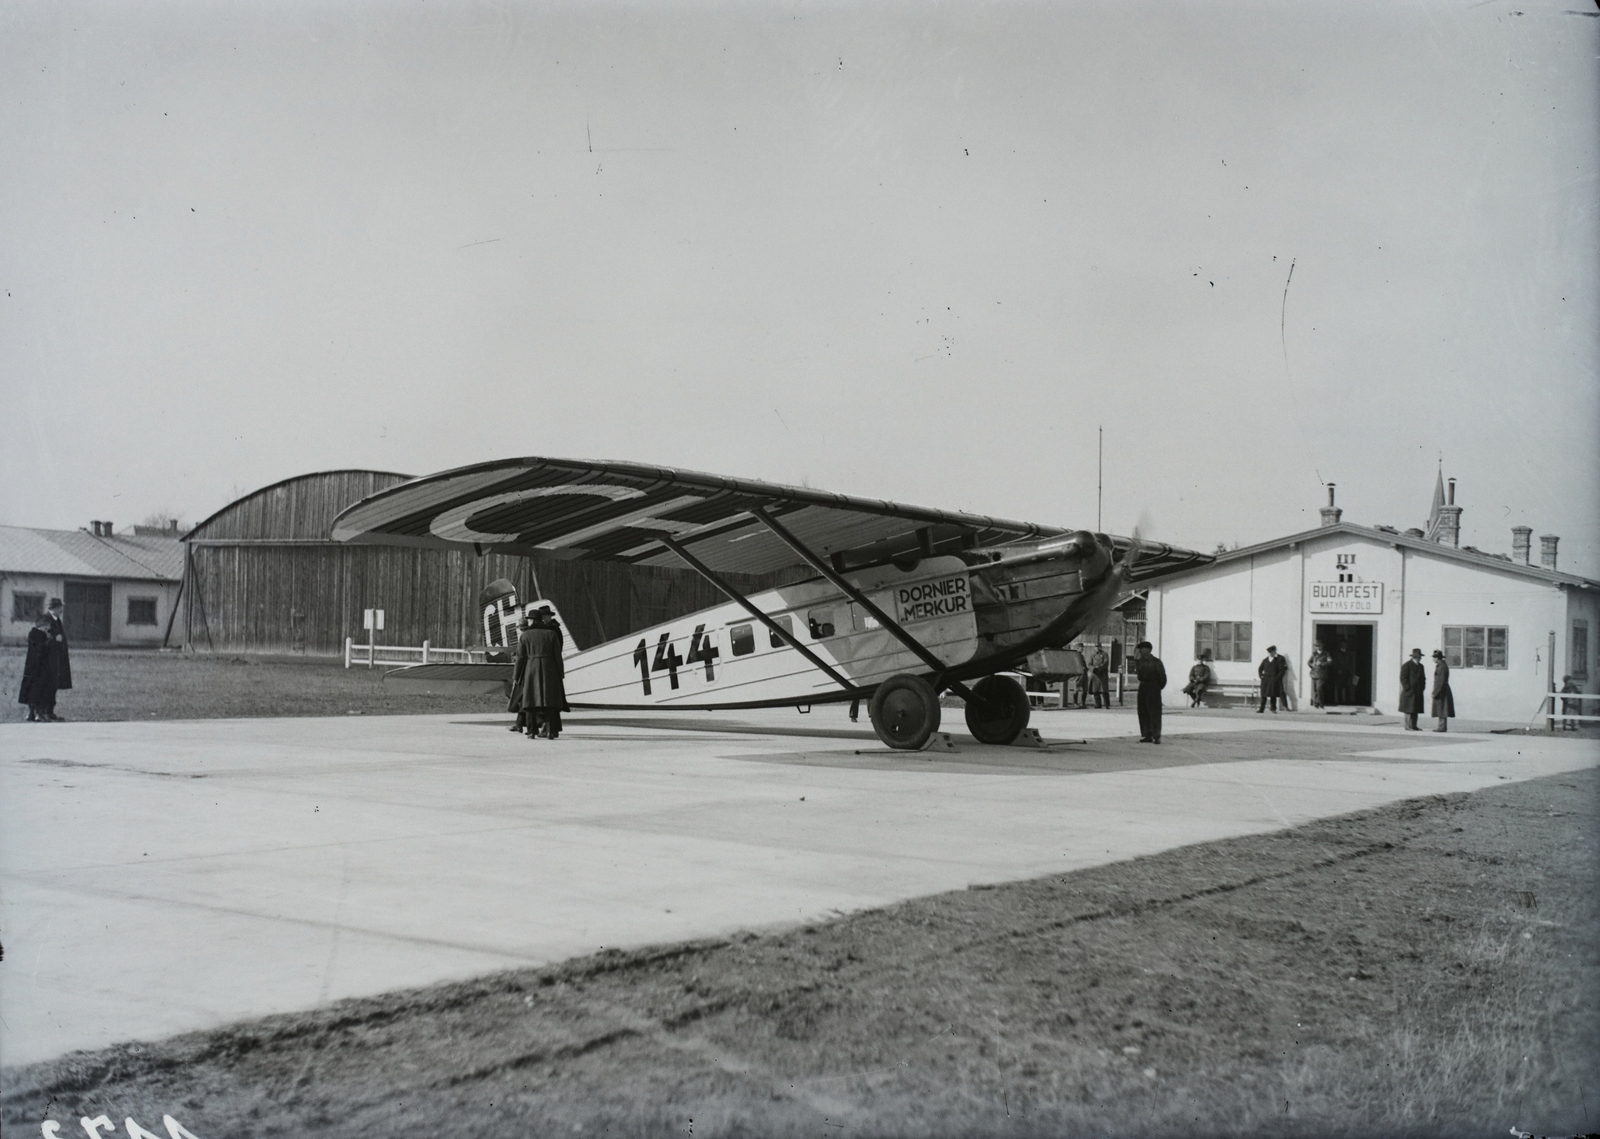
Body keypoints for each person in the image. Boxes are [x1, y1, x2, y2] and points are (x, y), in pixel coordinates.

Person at [517, 607, 569, 740]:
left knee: (530, 701)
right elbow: (557, 656)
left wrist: (517, 676)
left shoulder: (525, 636)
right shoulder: (551, 634)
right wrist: (560, 673)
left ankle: (532, 731)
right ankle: (551, 731)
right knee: (549, 701)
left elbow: (521, 658)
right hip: (549, 669)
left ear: (532, 620)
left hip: (531, 668)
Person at [38, 597, 72, 721]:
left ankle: (49, 711)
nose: (62, 609)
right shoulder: (44, 619)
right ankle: (41, 712)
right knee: (46, 685)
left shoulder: (57, 620)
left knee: (54, 685)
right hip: (46, 659)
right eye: (60, 607)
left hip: (57, 658)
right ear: (55, 608)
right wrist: (53, 639)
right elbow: (41, 637)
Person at [17, 613, 55, 721]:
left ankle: (31, 713)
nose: (49, 628)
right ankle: (38, 713)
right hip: (39, 669)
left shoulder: (33, 635)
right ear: (42, 626)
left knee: (31, 691)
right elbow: (41, 650)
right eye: (47, 626)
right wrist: (48, 641)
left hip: (31, 668)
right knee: (39, 691)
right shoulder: (39, 636)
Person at [1134, 640, 1166, 744]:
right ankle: (1146, 735)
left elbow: (1163, 677)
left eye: (1142, 649)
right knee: (1143, 711)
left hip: (1153, 687)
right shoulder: (1140, 661)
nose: (1140, 651)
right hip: (1143, 686)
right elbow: (1139, 675)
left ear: (1148, 650)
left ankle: (1156, 736)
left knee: (1154, 712)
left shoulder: (1156, 662)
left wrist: (1156, 688)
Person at [1398, 648, 1427, 731]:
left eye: (1420, 657)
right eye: (1418, 657)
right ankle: (1408, 726)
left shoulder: (1421, 666)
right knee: (1408, 709)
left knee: (1415, 709)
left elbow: (1423, 678)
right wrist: (1407, 688)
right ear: (1414, 657)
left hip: (1418, 692)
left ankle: (1414, 725)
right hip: (1409, 692)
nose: (1419, 659)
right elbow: (1403, 678)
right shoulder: (1406, 665)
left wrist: (1422, 687)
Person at [1257, 645, 1288, 713]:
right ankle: (1261, 709)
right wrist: (1261, 676)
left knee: (1273, 695)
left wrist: (1277, 678)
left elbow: (1282, 670)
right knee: (1264, 695)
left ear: (1275, 651)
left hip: (1274, 679)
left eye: (1272, 652)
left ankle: (1273, 708)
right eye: (1269, 652)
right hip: (1266, 680)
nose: (1270, 653)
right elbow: (1260, 668)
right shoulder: (1265, 660)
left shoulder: (1279, 659)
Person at [1430, 649, 1454, 732]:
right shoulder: (1442, 665)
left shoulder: (1441, 667)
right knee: (1442, 708)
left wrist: (1435, 692)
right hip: (1443, 690)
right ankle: (1442, 726)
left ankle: (1442, 727)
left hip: (1442, 691)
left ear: (1437, 658)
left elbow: (1440, 681)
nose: (1433, 659)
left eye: (1434, 657)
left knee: (1442, 708)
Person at [1087, 643, 1110, 709]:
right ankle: (1098, 704)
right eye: (1096, 647)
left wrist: (1099, 668)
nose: (1097, 648)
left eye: (1098, 647)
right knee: (1095, 690)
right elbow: (1089, 664)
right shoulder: (1092, 655)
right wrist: (1093, 669)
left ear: (1101, 647)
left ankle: (1107, 704)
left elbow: (1106, 663)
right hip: (1095, 674)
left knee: (1104, 690)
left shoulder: (1105, 654)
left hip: (1102, 674)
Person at [1308, 645, 1332, 709]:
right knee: (1316, 689)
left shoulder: (1326, 654)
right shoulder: (1314, 654)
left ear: (1322, 647)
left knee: (1319, 688)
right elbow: (1309, 662)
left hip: (1322, 674)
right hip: (1314, 673)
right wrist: (1312, 665)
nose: (1318, 647)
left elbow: (1330, 662)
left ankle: (1320, 703)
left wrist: (1322, 663)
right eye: (1316, 646)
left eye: (1319, 646)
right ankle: (1317, 702)